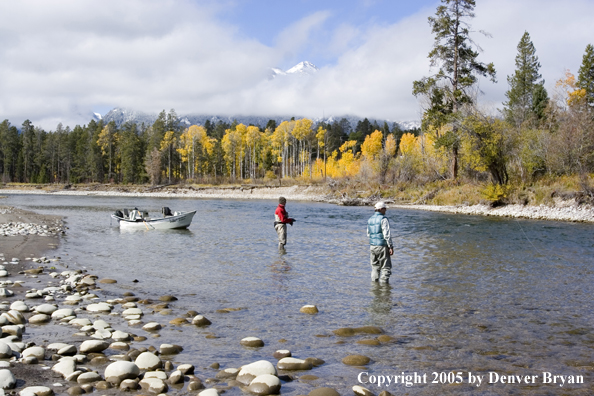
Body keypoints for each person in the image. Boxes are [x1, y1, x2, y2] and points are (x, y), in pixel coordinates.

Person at [367, 201, 394, 283]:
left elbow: (368, 234)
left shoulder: (370, 219)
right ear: (381, 209)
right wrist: (390, 246)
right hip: (382, 246)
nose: (385, 211)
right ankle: (384, 290)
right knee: (386, 268)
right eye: (385, 209)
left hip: (372, 246)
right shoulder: (383, 219)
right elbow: (386, 234)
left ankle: (375, 288)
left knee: (375, 267)